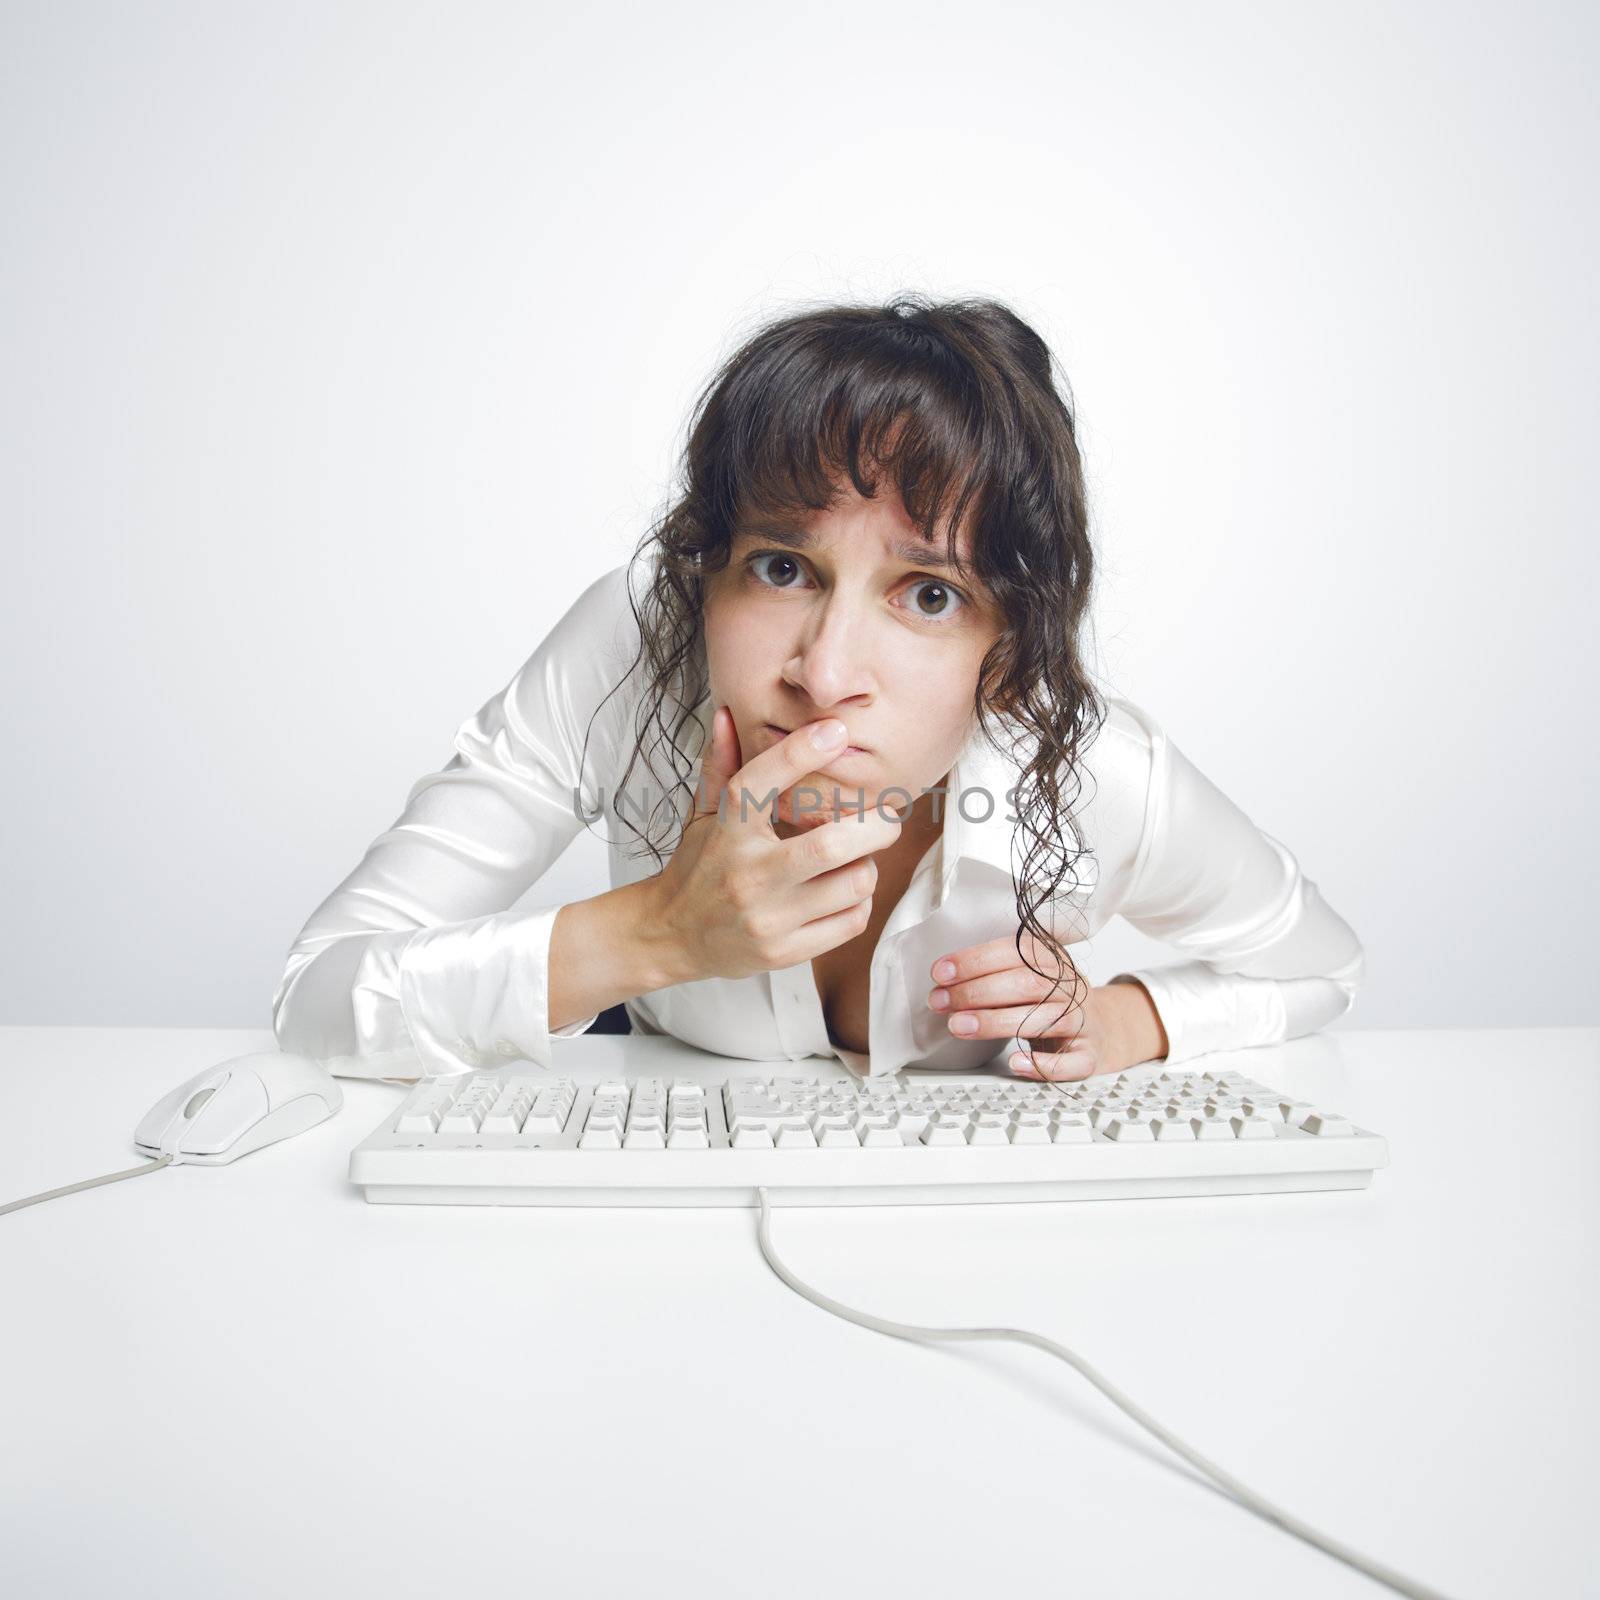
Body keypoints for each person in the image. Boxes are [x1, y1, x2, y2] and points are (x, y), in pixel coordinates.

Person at [272, 295, 1363, 1084]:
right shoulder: (634, 644)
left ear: (1011, 646)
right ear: (706, 568)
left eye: (926, 595)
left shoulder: (1096, 771)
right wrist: (656, 932)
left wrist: (1134, 1019)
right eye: (782, 569)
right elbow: (316, 997)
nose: (825, 675)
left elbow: (1323, 967)